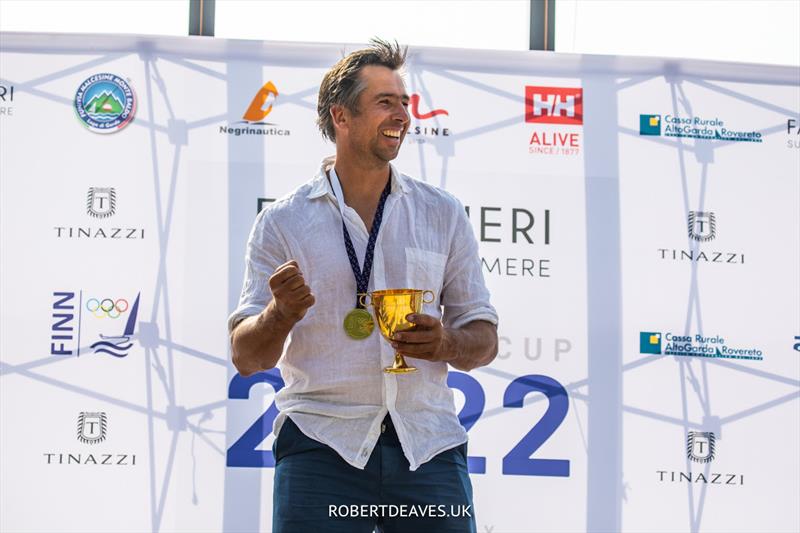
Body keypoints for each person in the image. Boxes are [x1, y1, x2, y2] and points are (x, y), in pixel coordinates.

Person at [228, 38, 498, 533]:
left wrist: (447, 342)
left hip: (428, 445)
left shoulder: (443, 213)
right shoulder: (282, 222)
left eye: (403, 102)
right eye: (384, 102)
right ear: (341, 116)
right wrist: (280, 313)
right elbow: (247, 357)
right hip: (320, 446)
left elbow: (483, 339)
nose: (401, 115)